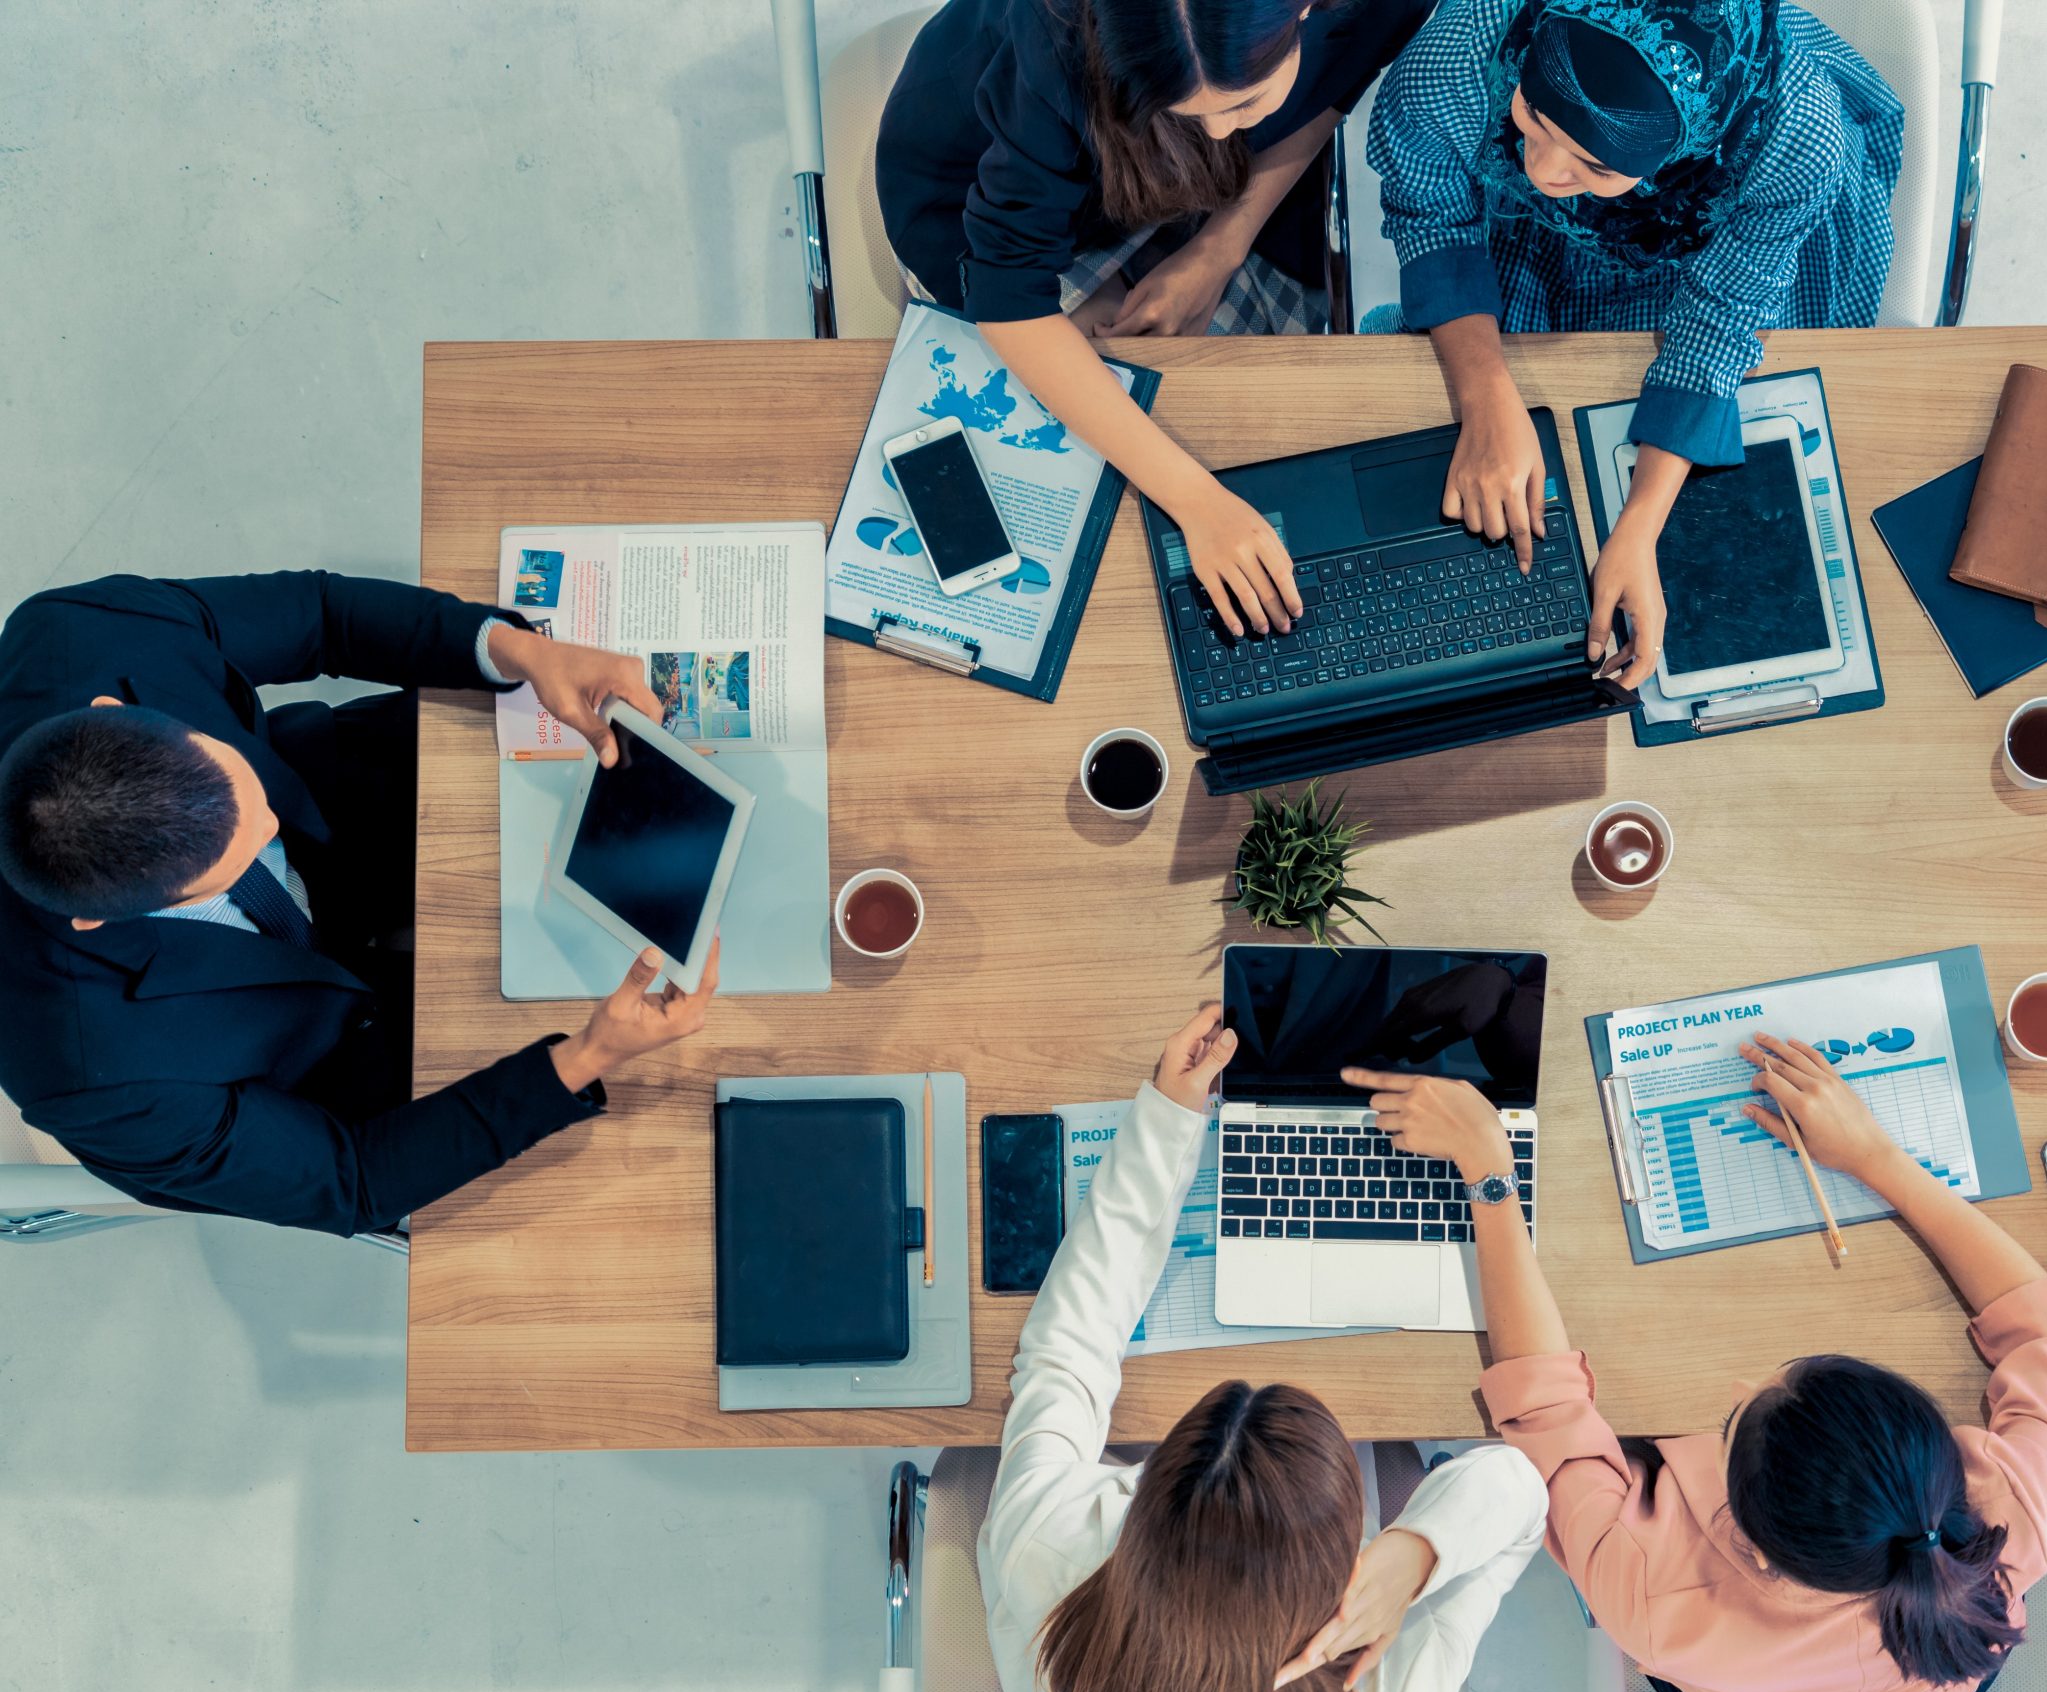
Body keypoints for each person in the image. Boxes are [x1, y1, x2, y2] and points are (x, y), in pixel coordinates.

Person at [1346, 1032, 2047, 1692]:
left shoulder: (1647, 1593)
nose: (1744, 1386)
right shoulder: (2003, 1524)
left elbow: (1545, 1412)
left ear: (1756, 1546)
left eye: (1734, 1421)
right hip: (1937, 1668)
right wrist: (1874, 1156)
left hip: (1722, 1677)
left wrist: (1489, 1173)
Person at [0, 571, 719, 1236]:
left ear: (115, 710)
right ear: (97, 919)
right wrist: (588, 1054)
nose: (270, 830)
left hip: (355, 792)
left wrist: (517, 648)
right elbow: (353, 1179)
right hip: (333, 1046)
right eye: (234, 860)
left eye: (239, 785)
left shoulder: (76, 631)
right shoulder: (97, 1082)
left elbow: (320, 613)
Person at [980, 1002, 1548, 1692]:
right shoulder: (1387, 1683)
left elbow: (1064, 1355)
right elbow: (1521, 1486)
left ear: (1150, 1516)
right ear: (1343, 1576)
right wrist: (1415, 1555)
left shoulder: (1042, 1548)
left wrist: (1167, 1121)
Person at [1369, 0, 1903, 689]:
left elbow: (1719, 319)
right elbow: (1432, 204)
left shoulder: (1791, 138)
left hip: (1717, 249)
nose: (1540, 171)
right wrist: (1487, 395)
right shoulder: (1467, 45)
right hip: (1528, 241)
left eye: (1591, 165)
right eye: (1531, 115)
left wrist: (1641, 523)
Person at [876, 0, 1430, 640]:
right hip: (971, 177)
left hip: (1127, 170)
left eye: (1242, 103)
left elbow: (1340, 75)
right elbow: (1008, 294)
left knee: (1264, 420)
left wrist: (1221, 248)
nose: (1222, 134)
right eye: (1196, 111)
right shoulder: (1053, 45)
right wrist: (1196, 502)